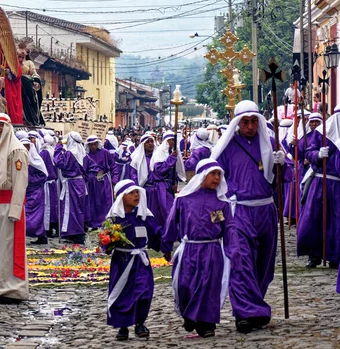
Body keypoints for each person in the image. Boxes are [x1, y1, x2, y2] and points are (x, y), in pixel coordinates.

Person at [210, 100, 291, 333]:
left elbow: (285, 177)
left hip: (266, 209)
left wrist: (281, 164)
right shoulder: (227, 146)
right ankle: (244, 313)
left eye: (254, 121)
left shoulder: (270, 143)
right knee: (241, 261)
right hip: (239, 211)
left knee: (262, 264)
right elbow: (214, 177)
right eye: (244, 121)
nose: (250, 126)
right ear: (237, 123)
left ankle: (254, 307)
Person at [162, 159, 237, 338]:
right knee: (185, 284)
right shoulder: (184, 199)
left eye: (219, 174)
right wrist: (166, 244)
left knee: (209, 287)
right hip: (190, 249)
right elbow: (172, 222)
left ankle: (206, 324)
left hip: (212, 251)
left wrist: (234, 250)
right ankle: (189, 314)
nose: (217, 178)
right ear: (201, 176)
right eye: (213, 174)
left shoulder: (222, 203)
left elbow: (230, 229)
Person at [105, 179, 163, 341]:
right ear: (121, 196)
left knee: (144, 291)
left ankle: (140, 323)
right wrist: (109, 241)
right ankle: (123, 326)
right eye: (131, 193)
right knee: (122, 293)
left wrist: (165, 245)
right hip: (122, 262)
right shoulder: (114, 219)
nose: (136, 195)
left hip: (140, 261)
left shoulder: (143, 215)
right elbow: (106, 243)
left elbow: (156, 232)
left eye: (137, 192)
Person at [0, 113, 29, 304]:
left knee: (9, 247)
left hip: (10, 206)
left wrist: (15, 210)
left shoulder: (16, 150)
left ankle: (12, 288)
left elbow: (20, 182)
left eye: (1, 125)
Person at [298, 106, 340, 269]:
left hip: (338, 184)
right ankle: (314, 255)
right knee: (314, 219)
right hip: (321, 182)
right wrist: (318, 155)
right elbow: (309, 152)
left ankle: (335, 256)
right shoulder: (322, 133)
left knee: (336, 221)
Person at [54, 132, 99, 244]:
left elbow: (58, 162)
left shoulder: (70, 153)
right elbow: (94, 168)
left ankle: (77, 234)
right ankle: (72, 233)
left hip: (72, 184)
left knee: (72, 209)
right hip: (79, 183)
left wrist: (58, 147)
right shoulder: (83, 155)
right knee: (76, 209)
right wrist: (85, 179)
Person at [147, 131, 185, 227]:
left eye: (173, 140)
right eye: (170, 140)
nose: (172, 142)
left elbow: (174, 171)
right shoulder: (160, 153)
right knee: (166, 210)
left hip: (169, 186)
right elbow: (159, 170)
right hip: (161, 187)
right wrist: (171, 159)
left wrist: (175, 183)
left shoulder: (172, 152)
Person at [21, 137, 48, 244]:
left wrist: (29, 179)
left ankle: (39, 234)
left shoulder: (37, 160)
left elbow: (44, 175)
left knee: (35, 214)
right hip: (24, 191)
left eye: (27, 146)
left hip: (36, 191)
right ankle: (40, 235)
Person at [86, 135, 115, 229]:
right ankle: (94, 223)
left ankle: (106, 222)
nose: (93, 147)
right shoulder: (86, 155)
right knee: (93, 202)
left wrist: (115, 179)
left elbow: (113, 166)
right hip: (92, 182)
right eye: (91, 145)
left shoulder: (105, 153)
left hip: (104, 180)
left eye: (95, 144)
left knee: (105, 201)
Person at [39, 134, 59, 237]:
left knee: (47, 207)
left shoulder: (44, 152)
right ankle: (53, 227)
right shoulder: (53, 150)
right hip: (53, 183)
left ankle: (48, 229)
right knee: (52, 206)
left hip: (47, 183)